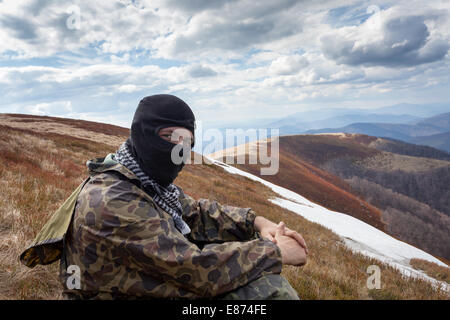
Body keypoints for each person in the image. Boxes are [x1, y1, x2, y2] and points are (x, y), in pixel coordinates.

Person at [21, 94, 308, 300]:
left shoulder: (142, 179)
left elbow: (194, 212)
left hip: (134, 285)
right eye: (170, 136)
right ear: (143, 133)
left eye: (186, 142)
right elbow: (196, 269)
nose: (178, 149)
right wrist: (276, 252)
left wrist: (256, 223)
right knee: (269, 292)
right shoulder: (112, 200)